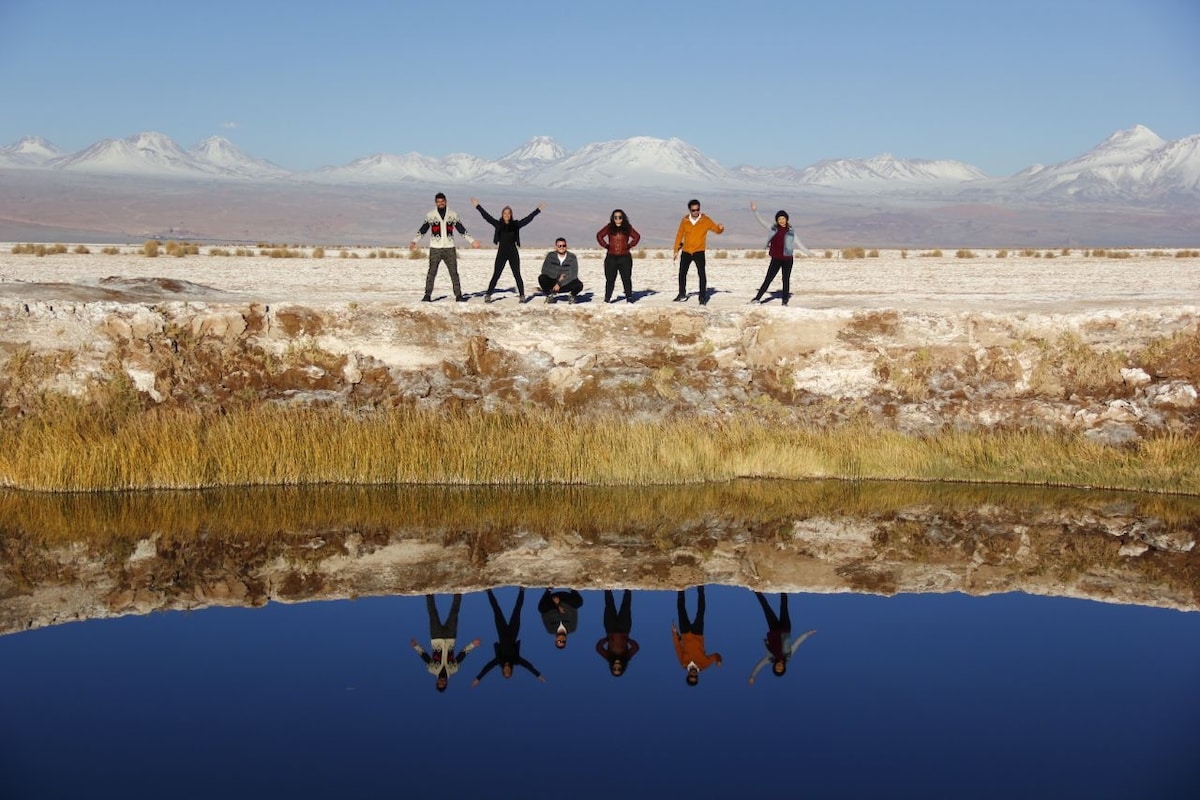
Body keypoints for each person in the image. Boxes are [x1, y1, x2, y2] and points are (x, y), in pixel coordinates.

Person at [470, 197, 545, 303]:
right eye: (505, 213)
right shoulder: (498, 224)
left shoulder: (516, 225)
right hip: (502, 252)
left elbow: (528, 219)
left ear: (511, 215)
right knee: (496, 274)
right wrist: (478, 206)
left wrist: (538, 210)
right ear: (502, 214)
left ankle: (522, 295)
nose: (506, 215)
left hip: (513, 252)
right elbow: (486, 217)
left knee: (517, 274)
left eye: (508, 213)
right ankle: (488, 294)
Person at [410, 192, 480, 303]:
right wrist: (414, 241)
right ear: (435, 203)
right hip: (435, 248)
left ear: (446, 202)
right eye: (438, 202)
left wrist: (472, 241)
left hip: (449, 248)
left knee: (454, 272)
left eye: (442, 201)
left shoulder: (453, 214)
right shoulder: (430, 215)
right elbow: (423, 229)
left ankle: (458, 295)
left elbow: (461, 229)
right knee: (432, 272)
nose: (441, 203)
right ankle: (427, 295)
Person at [472, 588, 547, 686]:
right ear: (511, 670)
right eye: (509, 672)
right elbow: (528, 666)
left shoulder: (499, 660)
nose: (507, 670)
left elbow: (488, 667)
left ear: (503, 670)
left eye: (505, 672)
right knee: (517, 610)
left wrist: (478, 678)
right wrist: (538, 675)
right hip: (513, 631)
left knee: (496, 610)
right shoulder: (515, 659)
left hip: (501, 631)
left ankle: (489, 591)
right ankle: (522, 590)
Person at [410, 594, 480, 693]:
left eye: (439, 683)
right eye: (443, 683)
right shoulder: (454, 669)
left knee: (433, 613)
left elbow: (424, 656)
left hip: (436, 637)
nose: (442, 681)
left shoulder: (432, 669)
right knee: (454, 613)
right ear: (447, 683)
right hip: (451, 637)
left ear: (437, 682)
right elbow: (462, 655)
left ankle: (429, 593)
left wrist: (416, 646)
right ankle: (457, 593)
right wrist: (472, 644)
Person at [749, 200, 813, 306]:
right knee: (768, 279)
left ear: (787, 219)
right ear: (777, 220)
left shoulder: (791, 232)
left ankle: (784, 301)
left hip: (787, 259)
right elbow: (761, 221)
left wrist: (809, 253)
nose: (782, 221)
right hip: (776, 258)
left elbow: (799, 243)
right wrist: (755, 211)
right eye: (779, 219)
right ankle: (757, 299)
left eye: (783, 218)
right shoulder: (773, 228)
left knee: (786, 280)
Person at [747, 592, 816, 685]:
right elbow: (797, 643)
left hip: (774, 630)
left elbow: (760, 665)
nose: (779, 667)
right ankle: (783, 589)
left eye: (777, 668)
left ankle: (756, 590)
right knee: (784, 607)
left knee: (766, 609)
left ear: (774, 667)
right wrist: (807, 634)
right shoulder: (788, 656)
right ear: (784, 667)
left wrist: (753, 676)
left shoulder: (770, 659)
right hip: (785, 628)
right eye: (781, 669)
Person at [671, 199, 725, 305]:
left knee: (701, 274)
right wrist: (676, 250)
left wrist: (720, 228)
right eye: (693, 210)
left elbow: (716, 229)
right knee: (682, 273)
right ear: (690, 210)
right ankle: (682, 294)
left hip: (699, 251)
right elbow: (679, 235)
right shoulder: (685, 220)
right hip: (686, 251)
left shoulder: (705, 220)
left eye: (697, 210)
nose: (696, 212)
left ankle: (702, 297)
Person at [671, 585, 722, 686]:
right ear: (697, 676)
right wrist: (719, 660)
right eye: (695, 677)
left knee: (681, 610)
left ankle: (681, 589)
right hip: (698, 634)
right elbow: (716, 655)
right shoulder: (704, 665)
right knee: (701, 612)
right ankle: (700, 589)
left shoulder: (683, 663)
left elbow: (678, 647)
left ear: (688, 675)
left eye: (691, 676)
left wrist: (674, 633)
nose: (693, 675)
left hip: (686, 633)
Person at [596, 209, 641, 304]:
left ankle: (629, 298)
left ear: (623, 218)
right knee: (610, 279)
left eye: (620, 217)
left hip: (625, 257)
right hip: (611, 257)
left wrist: (629, 245)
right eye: (615, 217)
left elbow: (636, 236)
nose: (618, 219)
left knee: (626, 278)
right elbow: (599, 235)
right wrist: (606, 245)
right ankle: (607, 299)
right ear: (613, 218)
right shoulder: (609, 227)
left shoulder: (627, 227)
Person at [596, 589, 639, 677]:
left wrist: (607, 639)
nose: (616, 667)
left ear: (611, 667)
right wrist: (627, 640)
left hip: (610, 629)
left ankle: (607, 588)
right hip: (624, 629)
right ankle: (628, 589)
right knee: (626, 606)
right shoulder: (626, 657)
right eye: (619, 669)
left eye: (614, 669)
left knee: (609, 605)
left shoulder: (608, 657)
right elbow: (635, 648)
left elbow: (599, 648)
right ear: (622, 668)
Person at [537, 238, 584, 303]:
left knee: (579, 284)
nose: (562, 247)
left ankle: (572, 296)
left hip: (566, 282)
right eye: (559, 246)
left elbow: (573, 274)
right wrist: (559, 277)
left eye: (563, 245)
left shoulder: (572, 257)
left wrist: (560, 283)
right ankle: (549, 295)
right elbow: (544, 270)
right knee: (542, 278)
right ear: (556, 247)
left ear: (566, 246)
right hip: (553, 282)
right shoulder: (550, 256)